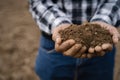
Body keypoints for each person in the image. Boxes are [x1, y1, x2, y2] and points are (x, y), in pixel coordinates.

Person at [28, 0, 120, 80]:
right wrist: (59, 23)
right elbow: (38, 2)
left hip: (100, 50)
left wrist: (103, 20)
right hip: (55, 43)